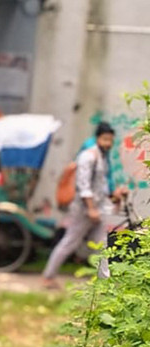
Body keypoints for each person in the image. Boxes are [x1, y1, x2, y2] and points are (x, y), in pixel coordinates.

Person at [42, 122, 123, 288]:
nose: (108, 143)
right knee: (70, 242)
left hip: (98, 209)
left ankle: (104, 283)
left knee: (102, 246)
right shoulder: (88, 156)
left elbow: (102, 184)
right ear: (98, 138)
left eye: (110, 140)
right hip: (84, 210)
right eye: (105, 139)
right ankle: (48, 277)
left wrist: (114, 195)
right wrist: (91, 208)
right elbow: (83, 186)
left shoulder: (103, 157)